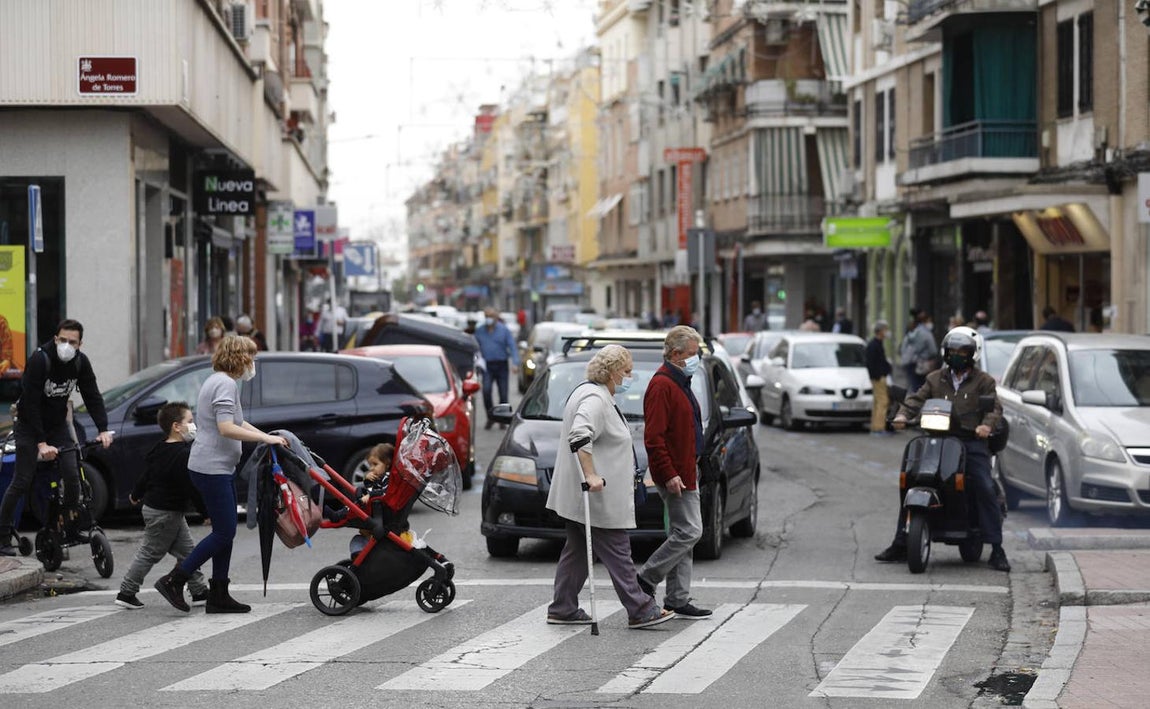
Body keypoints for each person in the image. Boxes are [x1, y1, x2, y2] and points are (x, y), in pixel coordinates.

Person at [154, 336, 288, 613]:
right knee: (225, 532)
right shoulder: (225, 384)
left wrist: (265, 436)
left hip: (215, 466)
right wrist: (265, 440)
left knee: (222, 532)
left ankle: (219, 594)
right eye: (251, 356)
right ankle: (174, 579)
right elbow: (226, 427)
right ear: (239, 358)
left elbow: (236, 421)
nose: (253, 363)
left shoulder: (217, 381)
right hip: (211, 468)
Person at [545, 345, 674, 630]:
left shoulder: (588, 392)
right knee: (618, 552)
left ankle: (563, 607)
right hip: (597, 495)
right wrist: (591, 475)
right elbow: (580, 434)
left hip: (582, 497)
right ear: (614, 372)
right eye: (627, 372)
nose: (630, 377)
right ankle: (641, 609)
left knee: (577, 550)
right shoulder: (595, 398)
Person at [874, 326, 1010, 572]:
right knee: (910, 480)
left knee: (984, 485)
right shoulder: (935, 378)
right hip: (936, 439)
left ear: (973, 354)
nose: (956, 355)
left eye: (962, 351)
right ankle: (902, 541)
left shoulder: (984, 381)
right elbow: (916, 399)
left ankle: (997, 549)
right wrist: (903, 415)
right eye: (952, 350)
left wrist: (985, 427)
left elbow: (994, 409)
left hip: (969, 441)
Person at [0, 320, 115, 555]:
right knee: (21, 480)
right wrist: (41, 443)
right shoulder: (40, 360)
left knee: (73, 477)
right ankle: (2, 536)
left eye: (72, 342)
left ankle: (68, 527)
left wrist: (103, 428)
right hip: (29, 426)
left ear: (80, 344)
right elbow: (30, 404)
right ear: (55, 339)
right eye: (63, 340)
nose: (66, 345)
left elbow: (92, 395)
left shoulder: (80, 363)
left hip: (57, 426)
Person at [636, 326, 712, 620]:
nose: (696, 359)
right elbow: (654, 438)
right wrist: (669, 473)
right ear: (676, 354)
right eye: (693, 354)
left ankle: (678, 598)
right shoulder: (662, 385)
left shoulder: (680, 380)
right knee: (691, 531)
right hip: (676, 473)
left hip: (685, 469)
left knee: (683, 533)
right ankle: (646, 578)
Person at [115, 402, 210, 610]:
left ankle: (199, 591)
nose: (194, 426)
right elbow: (191, 487)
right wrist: (206, 511)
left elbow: (147, 474)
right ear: (177, 426)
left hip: (164, 511)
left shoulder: (160, 447)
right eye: (190, 422)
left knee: (188, 552)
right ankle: (127, 592)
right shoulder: (183, 454)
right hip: (164, 513)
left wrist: (135, 494)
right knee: (150, 552)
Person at [473, 306, 519, 430]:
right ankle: (491, 417)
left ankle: (502, 419)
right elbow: (475, 348)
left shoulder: (504, 330)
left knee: (503, 394)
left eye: (491, 316)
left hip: (501, 365)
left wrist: (515, 363)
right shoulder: (480, 331)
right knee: (486, 391)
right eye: (486, 316)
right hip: (487, 366)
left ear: (496, 317)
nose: (489, 319)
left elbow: (512, 346)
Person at [866, 321, 893, 436]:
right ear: (881, 331)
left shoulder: (876, 343)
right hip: (878, 377)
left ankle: (875, 426)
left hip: (878, 376)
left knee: (877, 401)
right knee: (883, 401)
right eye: (885, 330)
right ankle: (879, 427)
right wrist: (878, 375)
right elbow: (872, 363)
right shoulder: (874, 345)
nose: (887, 332)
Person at [900, 311, 937, 392]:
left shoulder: (914, 332)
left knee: (914, 386)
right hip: (922, 365)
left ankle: (914, 402)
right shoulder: (926, 333)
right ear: (926, 321)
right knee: (922, 387)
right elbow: (933, 350)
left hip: (911, 363)